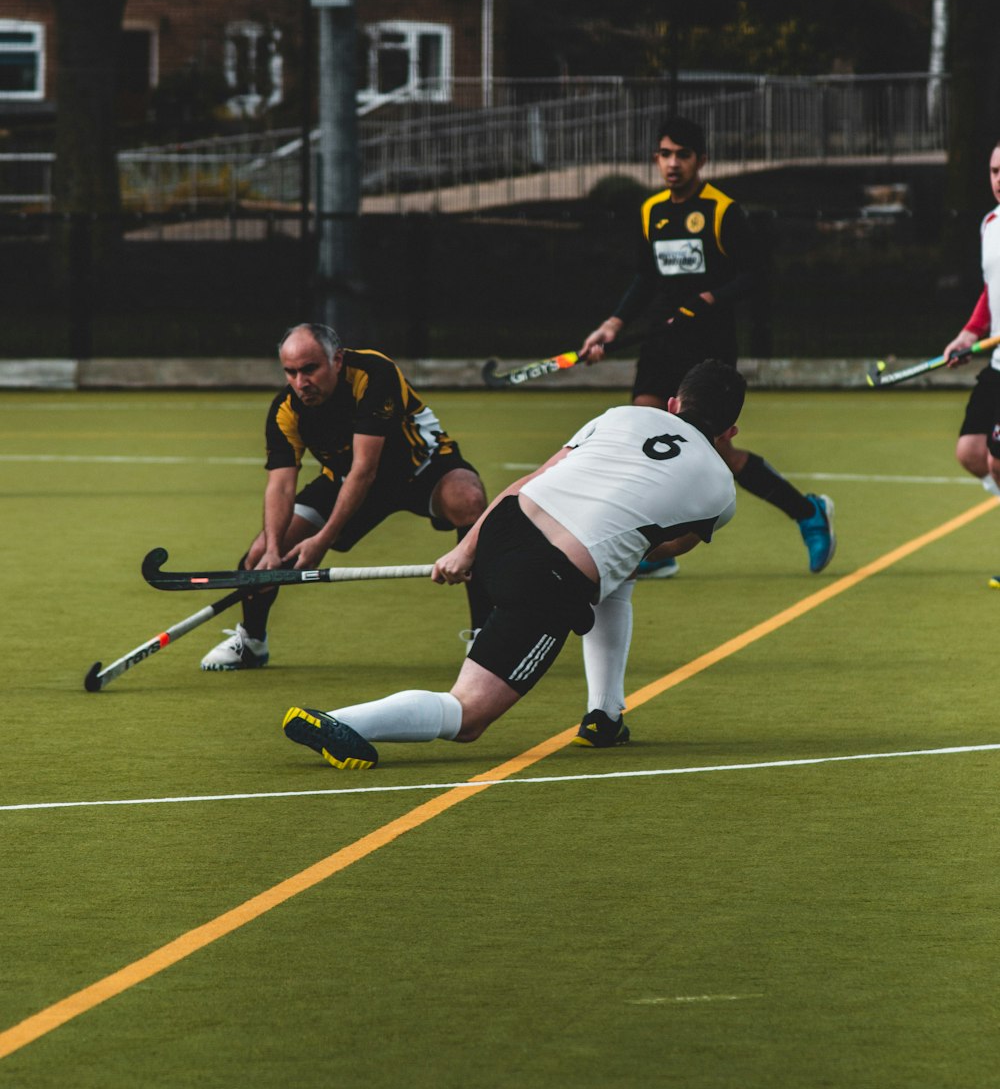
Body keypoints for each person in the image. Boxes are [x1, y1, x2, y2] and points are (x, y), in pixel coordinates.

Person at [281, 357, 745, 770]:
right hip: (548, 580)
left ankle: (604, 715)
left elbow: (533, 478)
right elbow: (666, 548)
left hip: (503, 528)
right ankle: (339, 721)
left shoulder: (624, 415)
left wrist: (467, 548)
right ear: (730, 433)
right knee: (467, 714)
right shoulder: (721, 490)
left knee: (615, 570)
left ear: (671, 404)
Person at [577, 117, 835, 579]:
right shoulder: (651, 210)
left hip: (708, 349)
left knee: (711, 453)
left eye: (683, 155)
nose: (672, 164)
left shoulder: (721, 211)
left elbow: (755, 274)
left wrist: (711, 298)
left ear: (701, 160)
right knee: (641, 441)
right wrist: (613, 323)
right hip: (660, 340)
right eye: (665, 154)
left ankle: (807, 511)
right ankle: (658, 549)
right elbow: (646, 277)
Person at [200, 322, 490, 670]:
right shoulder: (286, 409)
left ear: (336, 360)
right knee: (259, 554)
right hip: (343, 479)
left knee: (469, 500)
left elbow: (366, 469)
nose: (301, 382)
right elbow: (280, 485)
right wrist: (276, 551)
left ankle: (484, 635)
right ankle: (252, 642)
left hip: (421, 467)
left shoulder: (373, 373)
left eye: (310, 369)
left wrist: (323, 539)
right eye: (290, 372)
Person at [941, 140, 1000, 523]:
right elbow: (990, 287)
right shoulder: (990, 225)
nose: (999, 180)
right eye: (995, 171)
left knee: (998, 460)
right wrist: (969, 333)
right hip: (997, 363)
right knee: (971, 452)